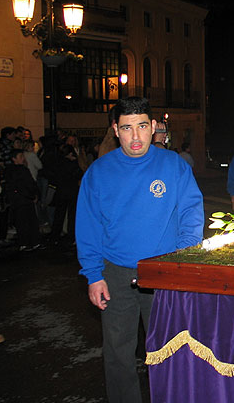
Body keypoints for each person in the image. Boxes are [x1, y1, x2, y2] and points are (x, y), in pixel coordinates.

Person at [76, 96, 203, 403]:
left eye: (142, 127)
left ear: (154, 127)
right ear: (115, 130)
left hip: (162, 272)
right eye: (127, 128)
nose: (136, 137)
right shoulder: (99, 172)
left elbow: (191, 213)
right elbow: (88, 227)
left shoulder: (173, 165)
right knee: (118, 351)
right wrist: (94, 275)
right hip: (116, 273)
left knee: (170, 347)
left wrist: (180, 261)